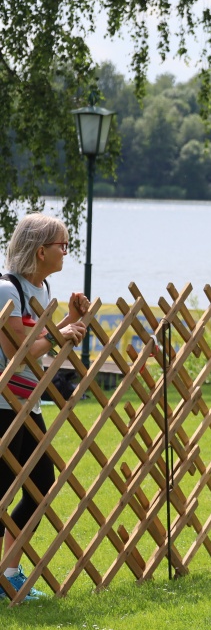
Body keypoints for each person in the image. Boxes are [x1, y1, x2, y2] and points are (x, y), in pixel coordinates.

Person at [0, 214, 89, 602]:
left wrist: (71, 319)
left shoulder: (41, 288)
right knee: (3, 493)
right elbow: (17, 354)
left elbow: (39, 340)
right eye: (62, 246)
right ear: (40, 251)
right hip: (4, 405)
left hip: (29, 405)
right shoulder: (7, 290)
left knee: (39, 488)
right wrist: (60, 333)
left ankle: (9, 575)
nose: (66, 252)